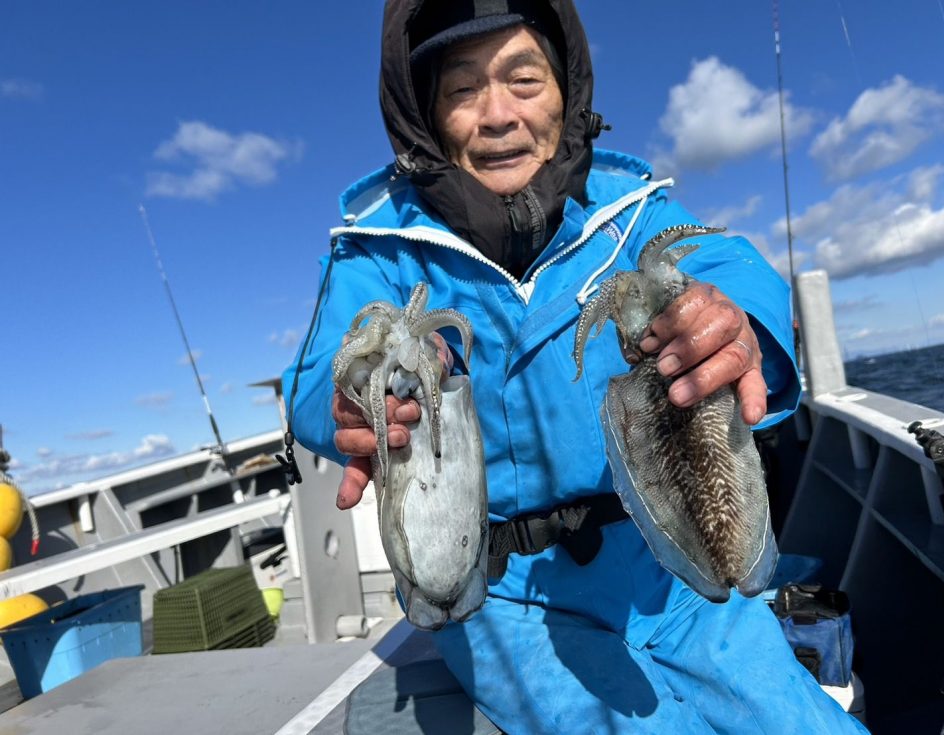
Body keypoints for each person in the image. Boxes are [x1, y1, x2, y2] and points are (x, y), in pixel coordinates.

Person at [283, 1, 869, 732]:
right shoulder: (377, 248)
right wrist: (354, 394)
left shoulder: (630, 211)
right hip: (506, 601)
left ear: (567, 93)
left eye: (523, 79)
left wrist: (737, 322)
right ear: (427, 117)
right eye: (462, 90)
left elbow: (724, 264)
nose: (498, 114)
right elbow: (318, 376)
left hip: (678, 575)